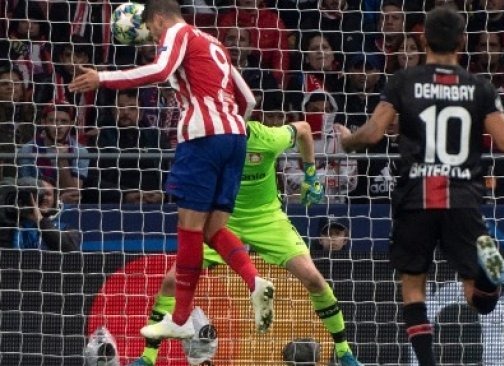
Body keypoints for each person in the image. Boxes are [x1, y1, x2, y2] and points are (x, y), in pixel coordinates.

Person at [335, 7, 504, 366]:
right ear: (462, 41)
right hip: (463, 196)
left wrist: (346, 141)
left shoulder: (403, 80)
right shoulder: (479, 87)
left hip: (415, 195)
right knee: (477, 299)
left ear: (423, 38)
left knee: (413, 286)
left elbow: (372, 135)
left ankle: (428, 364)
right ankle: (484, 275)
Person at [68, 0, 275, 340]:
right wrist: (227, 129)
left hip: (202, 139)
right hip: (236, 138)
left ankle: (179, 318)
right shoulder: (213, 42)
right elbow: (248, 99)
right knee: (212, 231)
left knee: (189, 230)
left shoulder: (177, 31)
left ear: (160, 18)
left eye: (151, 30)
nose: (154, 37)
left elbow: (160, 70)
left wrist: (102, 78)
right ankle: (254, 281)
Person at [128, 120, 361, 366]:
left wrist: (311, 175)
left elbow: (303, 129)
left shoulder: (269, 139)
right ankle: (148, 358)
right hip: (223, 221)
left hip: (267, 219)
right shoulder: (211, 142)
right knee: (171, 281)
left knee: (314, 279)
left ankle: (344, 352)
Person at [0, 177, 80, 251]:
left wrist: (40, 220)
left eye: (48, 194)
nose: (43, 197)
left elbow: (71, 250)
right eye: (40, 193)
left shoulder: (65, 228)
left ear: (55, 199)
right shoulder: (13, 225)